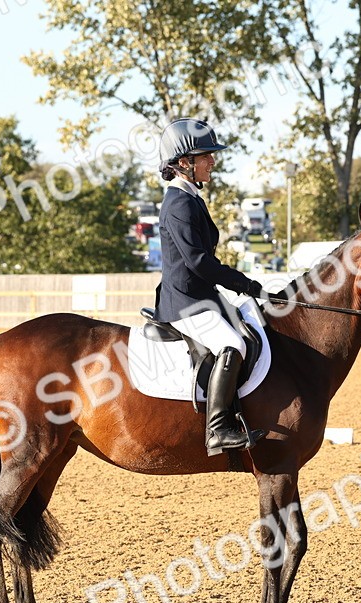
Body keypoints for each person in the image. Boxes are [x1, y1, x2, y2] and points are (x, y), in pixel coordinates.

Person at [155, 118, 264, 456]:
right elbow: (199, 262)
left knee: (251, 331)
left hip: (202, 297)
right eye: (206, 156)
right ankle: (218, 428)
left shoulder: (191, 198)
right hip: (185, 301)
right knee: (234, 345)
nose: (212, 161)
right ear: (185, 162)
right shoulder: (179, 203)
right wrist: (243, 282)